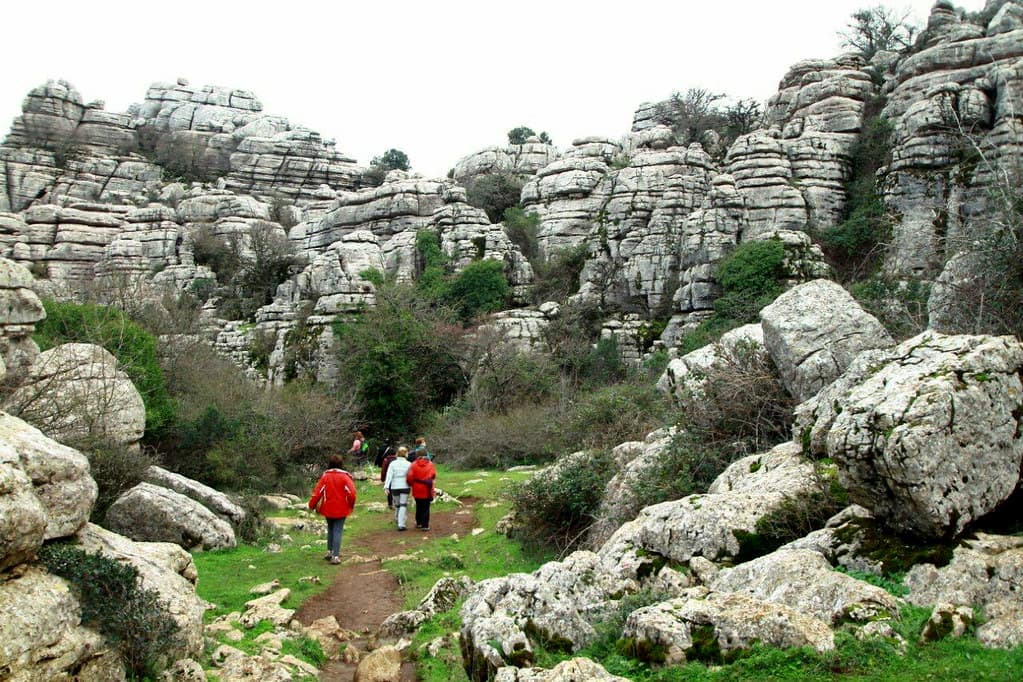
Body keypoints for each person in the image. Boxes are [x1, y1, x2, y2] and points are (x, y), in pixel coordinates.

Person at [308, 453, 357, 565]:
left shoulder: (325, 476)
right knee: (338, 530)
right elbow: (352, 493)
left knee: (330, 528)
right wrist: (351, 504)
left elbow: (317, 493)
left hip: (328, 508)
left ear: (329, 464)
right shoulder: (345, 477)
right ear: (341, 464)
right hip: (342, 508)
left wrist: (312, 505)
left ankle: (329, 552)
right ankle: (335, 556)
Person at [383, 446, 412, 530]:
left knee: (397, 504)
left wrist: (386, 487)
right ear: (406, 454)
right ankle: (401, 524)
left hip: (395, 486)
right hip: (405, 486)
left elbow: (389, 475)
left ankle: (397, 518)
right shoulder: (408, 464)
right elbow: (410, 476)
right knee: (403, 504)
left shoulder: (393, 464)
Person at [408, 447, 437, 531]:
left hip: (417, 487)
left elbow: (410, 477)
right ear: (426, 454)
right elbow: (433, 475)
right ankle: (425, 525)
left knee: (419, 505)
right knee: (426, 506)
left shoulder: (413, 464)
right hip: (427, 488)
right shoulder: (430, 464)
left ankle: (419, 522)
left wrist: (411, 484)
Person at [379, 443, 397, 510]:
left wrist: (382, 478)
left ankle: (390, 504)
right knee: (395, 490)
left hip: (388, 478)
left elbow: (383, 470)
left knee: (389, 491)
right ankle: (396, 502)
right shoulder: (397, 460)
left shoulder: (386, 460)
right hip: (396, 478)